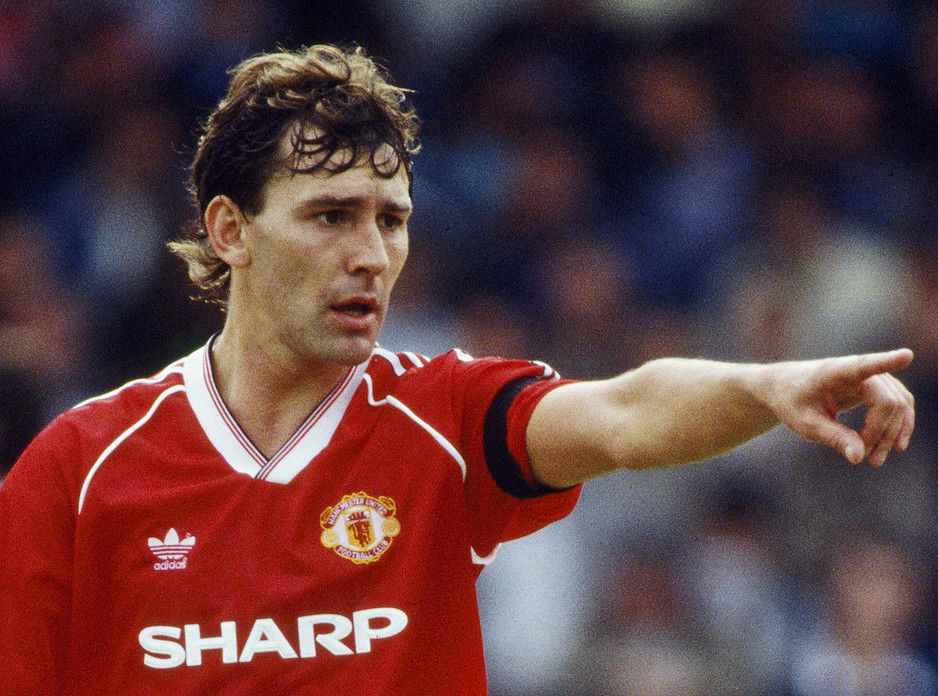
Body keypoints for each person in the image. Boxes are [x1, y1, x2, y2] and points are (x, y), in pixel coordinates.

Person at [0, 44, 915, 696]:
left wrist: (765, 386)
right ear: (230, 229)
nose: (372, 255)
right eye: (331, 215)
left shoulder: (443, 415)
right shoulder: (79, 469)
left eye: (391, 220)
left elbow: (625, 414)